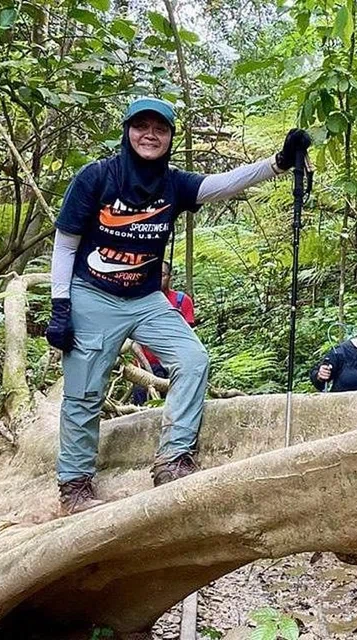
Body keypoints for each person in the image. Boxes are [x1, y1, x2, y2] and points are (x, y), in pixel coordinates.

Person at [46, 97, 311, 515]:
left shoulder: (173, 184)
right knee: (84, 392)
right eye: (142, 126)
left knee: (193, 360)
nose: (150, 135)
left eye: (160, 129)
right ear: (127, 131)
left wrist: (278, 163)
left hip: (147, 298)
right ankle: (74, 484)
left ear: (170, 137)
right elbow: (65, 243)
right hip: (92, 295)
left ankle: (172, 459)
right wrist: (60, 305)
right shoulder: (97, 177)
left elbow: (225, 183)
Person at [130, 260, 194, 405]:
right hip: (145, 365)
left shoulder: (182, 300)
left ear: (170, 277)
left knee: (175, 406)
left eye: (163, 275)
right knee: (144, 407)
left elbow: (188, 334)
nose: (158, 278)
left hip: (174, 364)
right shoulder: (139, 299)